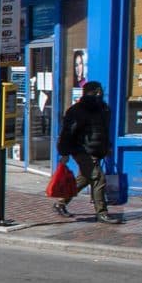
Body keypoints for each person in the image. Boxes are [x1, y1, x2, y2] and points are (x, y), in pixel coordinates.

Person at [54, 80, 121, 223]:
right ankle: (102, 213)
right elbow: (68, 133)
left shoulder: (104, 109)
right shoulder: (76, 110)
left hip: (96, 149)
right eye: (97, 91)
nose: (99, 94)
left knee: (85, 178)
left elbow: (103, 131)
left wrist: (106, 147)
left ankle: (61, 203)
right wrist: (64, 153)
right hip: (81, 150)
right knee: (98, 178)